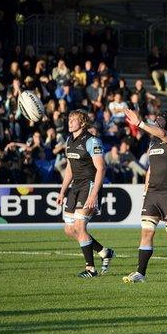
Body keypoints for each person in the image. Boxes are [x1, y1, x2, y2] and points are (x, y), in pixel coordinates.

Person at [122, 109, 167, 283]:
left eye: (160, 119)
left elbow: (163, 134)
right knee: (146, 234)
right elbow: (151, 168)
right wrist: (145, 189)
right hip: (152, 194)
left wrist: (140, 124)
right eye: (156, 119)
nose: (157, 121)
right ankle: (140, 273)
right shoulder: (153, 142)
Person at [56, 110, 115, 278]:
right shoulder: (69, 140)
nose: (70, 122)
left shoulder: (92, 141)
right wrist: (62, 191)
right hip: (75, 188)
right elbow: (69, 168)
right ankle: (104, 252)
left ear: (82, 123)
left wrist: (93, 194)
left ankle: (91, 269)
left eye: (74, 120)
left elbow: (101, 168)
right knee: (69, 229)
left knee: (80, 227)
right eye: (69, 119)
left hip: (89, 186)